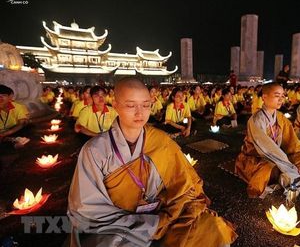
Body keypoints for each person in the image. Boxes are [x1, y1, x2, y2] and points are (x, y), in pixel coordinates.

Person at [67, 77, 237, 247]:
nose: (140, 113)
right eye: (131, 105)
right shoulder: (94, 150)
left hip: (164, 214)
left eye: (146, 105)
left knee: (211, 230)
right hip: (120, 227)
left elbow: (184, 185)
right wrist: (146, 223)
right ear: (116, 106)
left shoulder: (161, 140)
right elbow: (86, 208)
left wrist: (165, 211)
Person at [234, 82, 300, 198]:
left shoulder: (280, 117)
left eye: (282, 96)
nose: (280, 99)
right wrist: (287, 164)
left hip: (276, 154)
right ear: (264, 97)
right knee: (269, 169)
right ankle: (286, 175)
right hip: (256, 157)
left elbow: (291, 141)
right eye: (276, 96)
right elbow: (266, 147)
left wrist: (294, 156)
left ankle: (287, 174)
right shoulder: (256, 120)